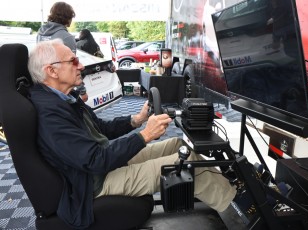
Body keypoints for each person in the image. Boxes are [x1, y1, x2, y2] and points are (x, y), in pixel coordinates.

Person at [28, 39, 236, 229]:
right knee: (189, 164)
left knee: (176, 144)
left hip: (102, 165)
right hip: (93, 183)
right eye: (73, 61)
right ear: (52, 71)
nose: (81, 65)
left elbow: (100, 127)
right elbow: (95, 160)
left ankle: (224, 190)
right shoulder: (50, 114)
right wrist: (144, 135)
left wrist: (136, 120)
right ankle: (241, 213)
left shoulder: (65, 99)